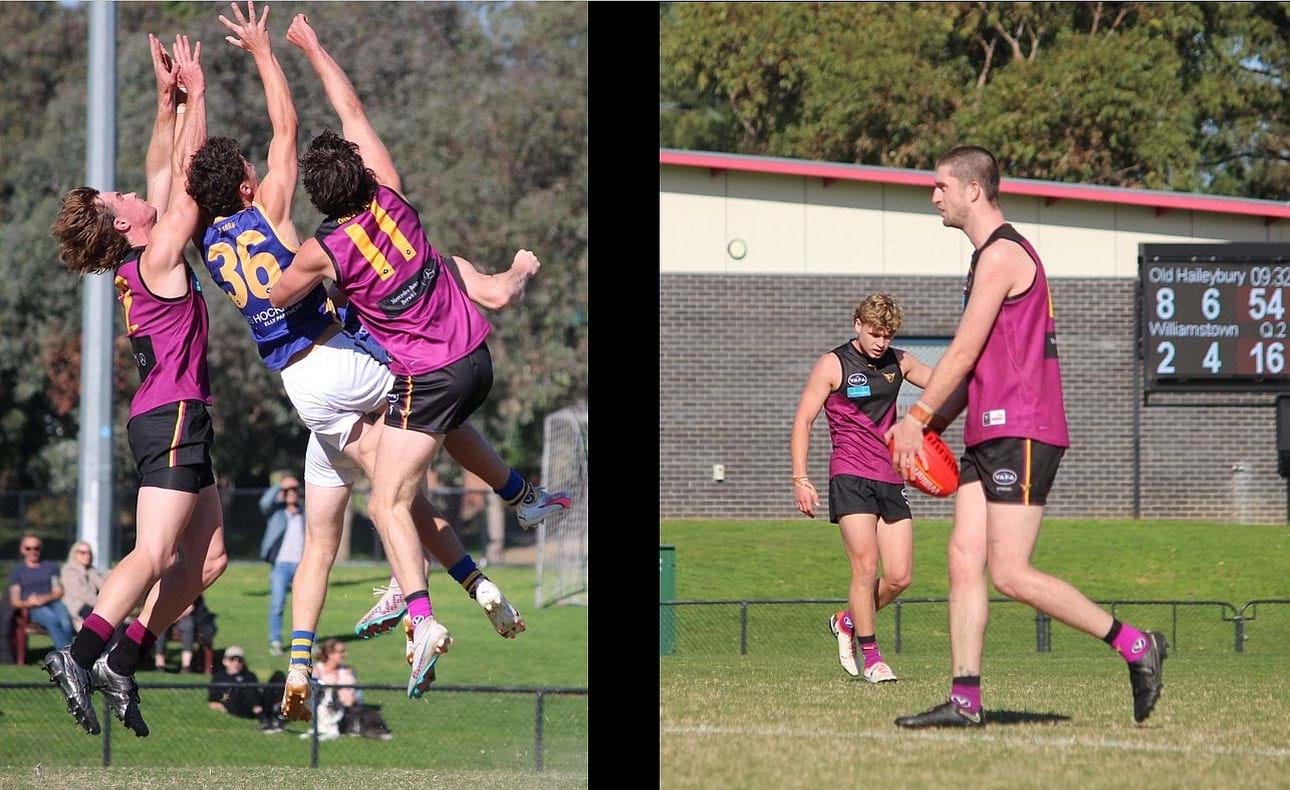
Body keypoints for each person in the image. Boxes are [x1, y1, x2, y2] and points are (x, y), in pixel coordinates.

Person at [195, 11, 563, 707]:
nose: (258, 167)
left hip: (305, 388)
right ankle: (445, 572)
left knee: (343, 522)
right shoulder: (383, 199)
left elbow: (272, 288)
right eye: (248, 169)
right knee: (398, 482)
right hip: (404, 361)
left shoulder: (231, 245)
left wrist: (185, 102)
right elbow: (300, 125)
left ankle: (321, 650)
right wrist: (283, 50)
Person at [887, 145, 1166, 728]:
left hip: (1024, 429)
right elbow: (975, 365)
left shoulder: (1004, 255)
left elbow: (961, 352)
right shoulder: (983, 260)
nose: (933, 196)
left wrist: (914, 421)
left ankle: (1137, 645)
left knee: (1009, 572)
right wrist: (929, 427)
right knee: (963, 559)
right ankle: (965, 701)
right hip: (989, 432)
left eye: (940, 186)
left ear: (972, 190)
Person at [46, 34, 228, 738]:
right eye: (118, 194)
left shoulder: (141, 256)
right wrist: (199, 92)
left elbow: (160, 164)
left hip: (175, 416)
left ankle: (125, 656)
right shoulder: (156, 256)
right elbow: (186, 177)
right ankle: (81, 651)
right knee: (153, 554)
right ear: (123, 221)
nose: (130, 188)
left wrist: (164, 100)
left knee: (208, 557)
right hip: (173, 415)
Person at [790, 294, 933, 683]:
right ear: (857, 324)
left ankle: (847, 621)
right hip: (849, 474)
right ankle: (873, 657)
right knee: (866, 567)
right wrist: (800, 478)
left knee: (900, 576)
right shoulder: (833, 364)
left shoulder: (899, 361)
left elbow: (940, 384)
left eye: (886, 335)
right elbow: (803, 420)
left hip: (890, 476)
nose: (880, 342)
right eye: (874, 333)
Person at [259, 475, 306, 656]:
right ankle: (275, 640)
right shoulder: (277, 513)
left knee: (304, 605)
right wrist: (280, 485)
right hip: (280, 565)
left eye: (294, 492)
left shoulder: (304, 513)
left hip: (301, 566)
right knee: (277, 604)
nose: (291, 495)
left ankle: (308, 642)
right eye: (288, 492)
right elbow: (264, 503)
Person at [309, 639, 392, 741]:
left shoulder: (347, 670)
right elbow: (312, 694)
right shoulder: (316, 671)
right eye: (341, 652)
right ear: (330, 654)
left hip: (346, 708)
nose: (345, 654)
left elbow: (356, 694)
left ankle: (370, 730)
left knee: (364, 712)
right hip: (323, 709)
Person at [7, 534, 74, 649]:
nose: (33, 551)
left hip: (52, 602)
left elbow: (58, 591)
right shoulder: (17, 572)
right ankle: (65, 654)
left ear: (40, 549)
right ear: (22, 549)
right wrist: (30, 603)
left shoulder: (50, 567)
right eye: (29, 548)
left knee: (66, 622)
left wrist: (45, 598)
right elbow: (15, 601)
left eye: (36, 548)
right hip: (32, 607)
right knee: (51, 619)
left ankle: (68, 654)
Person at [208, 645, 284, 732]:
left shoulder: (249, 675)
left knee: (278, 676)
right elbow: (212, 702)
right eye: (232, 659)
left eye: (239, 660)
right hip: (238, 706)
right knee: (245, 687)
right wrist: (223, 706)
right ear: (225, 661)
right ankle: (264, 719)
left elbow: (256, 693)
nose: (236, 663)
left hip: (257, 702)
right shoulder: (219, 678)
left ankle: (278, 715)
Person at [154, 593, 216, 673]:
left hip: (184, 615)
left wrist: (175, 617)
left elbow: (190, 607)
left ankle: (186, 665)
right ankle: (160, 664)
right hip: (166, 615)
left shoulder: (188, 587)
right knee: (160, 627)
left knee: (188, 626)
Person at [59, 541, 106, 632]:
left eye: (89, 553)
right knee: (104, 620)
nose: (87, 556)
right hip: (77, 606)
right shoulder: (69, 570)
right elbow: (81, 593)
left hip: (92, 604)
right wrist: (102, 604)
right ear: (74, 554)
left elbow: (103, 585)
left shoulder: (91, 571)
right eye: (82, 553)